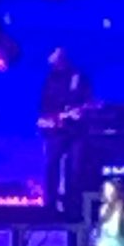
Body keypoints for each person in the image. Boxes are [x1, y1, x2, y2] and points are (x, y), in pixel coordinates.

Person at [39, 47, 93, 213]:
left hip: (75, 130)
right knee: (52, 165)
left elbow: (87, 100)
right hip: (55, 130)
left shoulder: (78, 76)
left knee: (74, 167)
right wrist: (48, 118)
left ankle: (72, 204)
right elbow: (44, 102)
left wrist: (79, 111)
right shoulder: (50, 78)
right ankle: (50, 204)